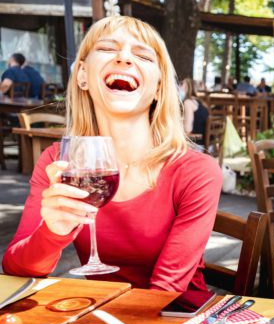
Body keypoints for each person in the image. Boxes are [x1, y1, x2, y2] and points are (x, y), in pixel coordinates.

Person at [2, 16, 222, 294]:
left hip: (176, 322)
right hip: (105, 315)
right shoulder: (58, 162)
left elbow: (165, 290)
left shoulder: (196, 170)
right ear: (82, 75)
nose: (124, 58)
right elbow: (16, 268)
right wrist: (53, 232)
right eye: (107, 49)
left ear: (158, 87)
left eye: (142, 54)